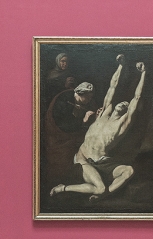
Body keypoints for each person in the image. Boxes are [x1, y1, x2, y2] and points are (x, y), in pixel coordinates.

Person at [49, 54, 144, 201]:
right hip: (84, 158)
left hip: (103, 162)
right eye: (121, 102)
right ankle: (63, 188)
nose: (123, 103)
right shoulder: (103, 114)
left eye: (126, 105)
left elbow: (136, 98)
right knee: (99, 188)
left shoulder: (121, 125)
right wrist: (121, 66)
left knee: (129, 171)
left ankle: (106, 193)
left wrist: (143, 74)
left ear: (126, 112)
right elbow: (113, 86)